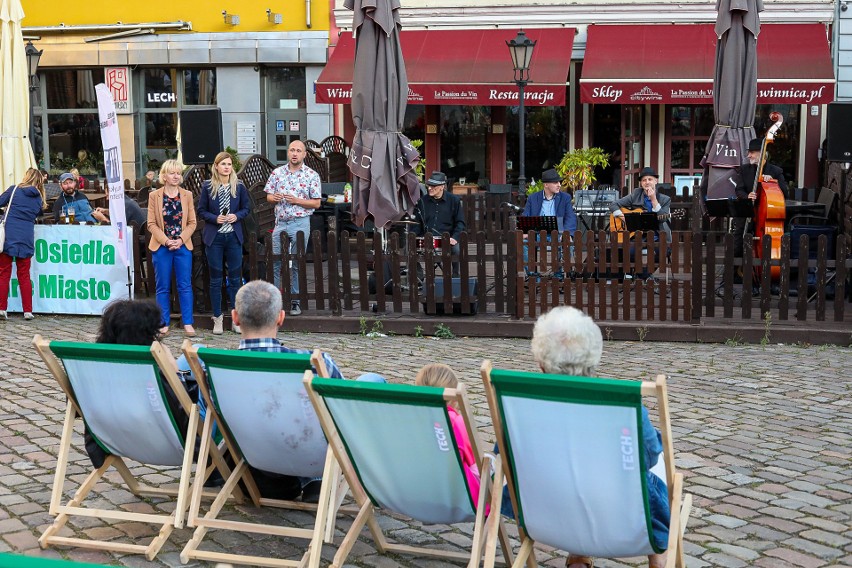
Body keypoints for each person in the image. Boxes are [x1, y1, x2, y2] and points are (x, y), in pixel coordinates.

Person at [528, 306, 669, 568]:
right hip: (620, 516)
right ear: (593, 359)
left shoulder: (524, 408)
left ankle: (579, 553)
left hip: (552, 514)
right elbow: (649, 457)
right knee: (656, 459)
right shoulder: (624, 409)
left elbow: (509, 458)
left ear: (541, 363)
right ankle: (657, 557)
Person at [231, 280, 385, 502]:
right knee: (373, 380)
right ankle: (319, 478)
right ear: (280, 318)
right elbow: (342, 414)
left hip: (252, 454)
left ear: (235, 317)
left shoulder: (212, 366)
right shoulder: (314, 363)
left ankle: (313, 479)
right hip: (311, 456)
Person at [264, 140, 322, 316]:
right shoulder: (277, 173)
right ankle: (275, 303)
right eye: (292, 150)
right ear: (288, 153)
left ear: (304, 154)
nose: (295, 153)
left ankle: (295, 302)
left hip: (300, 222)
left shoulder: (311, 175)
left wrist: (296, 200)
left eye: (298, 150)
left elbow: (317, 203)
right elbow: (268, 197)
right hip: (280, 222)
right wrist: (275, 198)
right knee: (275, 261)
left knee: (297, 262)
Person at [198, 151, 250, 335]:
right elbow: (201, 210)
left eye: (229, 164)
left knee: (236, 279)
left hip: (233, 238)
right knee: (215, 279)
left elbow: (246, 208)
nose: (227, 167)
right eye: (223, 164)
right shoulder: (207, 186)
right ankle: (218, 318)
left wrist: (237, 215)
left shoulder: (240, 186)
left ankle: (236, 319)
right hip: (215, 238)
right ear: (216, 166)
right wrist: (214, 218)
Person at [414, 363, 481, 504]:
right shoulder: (456, 422)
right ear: (453, 397)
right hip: (457, 497)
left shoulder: (408, 419)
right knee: (490, 464)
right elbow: (472, 461)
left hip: (413, 493)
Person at [147, 159, 197, 337]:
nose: (176, 176)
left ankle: (188, 323)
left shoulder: (187, 195)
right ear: (164, 176)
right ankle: (163, 323)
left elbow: (192, 223)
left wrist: (181, 239)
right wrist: (166, 241)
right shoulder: (155, 196)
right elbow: (151, 224)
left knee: (185, 285)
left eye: (178, 173)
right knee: (163, 287)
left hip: (182, 246)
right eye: (172, 173)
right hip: (162, 246)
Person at [0, 168, 46, 320]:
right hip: (26, 238)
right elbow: (38, 214)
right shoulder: (39, 198)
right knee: (24, 276)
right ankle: (28, 311)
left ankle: (2, 309)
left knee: (4, 273)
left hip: (9, 236)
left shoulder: (14, 190)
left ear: (26, 177)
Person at [731, 138, 788, 259]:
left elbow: (784, 193)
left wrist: (772, 181)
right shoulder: (744, 169)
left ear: (762, 153)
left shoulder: (775, 171)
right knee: (738, 238)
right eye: (748, 152)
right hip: (748, 211)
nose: (748, 155)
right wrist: (747, 196)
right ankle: (735, 270)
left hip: (765, 215)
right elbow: (738, 189)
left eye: (751, 152)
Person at [521, 168, 577, 279]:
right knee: (524, 242)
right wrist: (525, 231)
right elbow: (525, 215)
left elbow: (570, 217)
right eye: (555, 182)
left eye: (559, 182)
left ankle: (558, 276)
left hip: (557, 233)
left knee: (566, 242)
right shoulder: (533, 198)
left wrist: (568, 233)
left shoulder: (565, 198)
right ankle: (532, 276)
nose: (559, 185)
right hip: (536, 232)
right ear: (546, 185)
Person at [412, 171, 465, 276]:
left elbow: (460, 222)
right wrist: (414, 236)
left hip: (446, 240)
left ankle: (455, 276)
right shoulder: (422, 201)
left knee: (456, 249)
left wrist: (454, 237)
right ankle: (419, 277)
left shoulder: (454, 200)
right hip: (426, 240)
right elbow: (416, 223)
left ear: (442, 187)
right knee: (407, 249)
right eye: (429, 185)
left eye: (433, 186)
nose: (429, 188)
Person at [608, 167, 672, 243]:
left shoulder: (665, 199)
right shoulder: (635, 195)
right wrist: (624, 218)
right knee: (629, 251)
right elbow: (613, 205)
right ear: (641, 183)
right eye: (644, 180)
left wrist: (653, 199)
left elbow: (663, 219)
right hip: (637, 236)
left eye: (650, 179)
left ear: (656, 181)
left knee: (661, 252)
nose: (647, 182)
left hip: (657, 236)